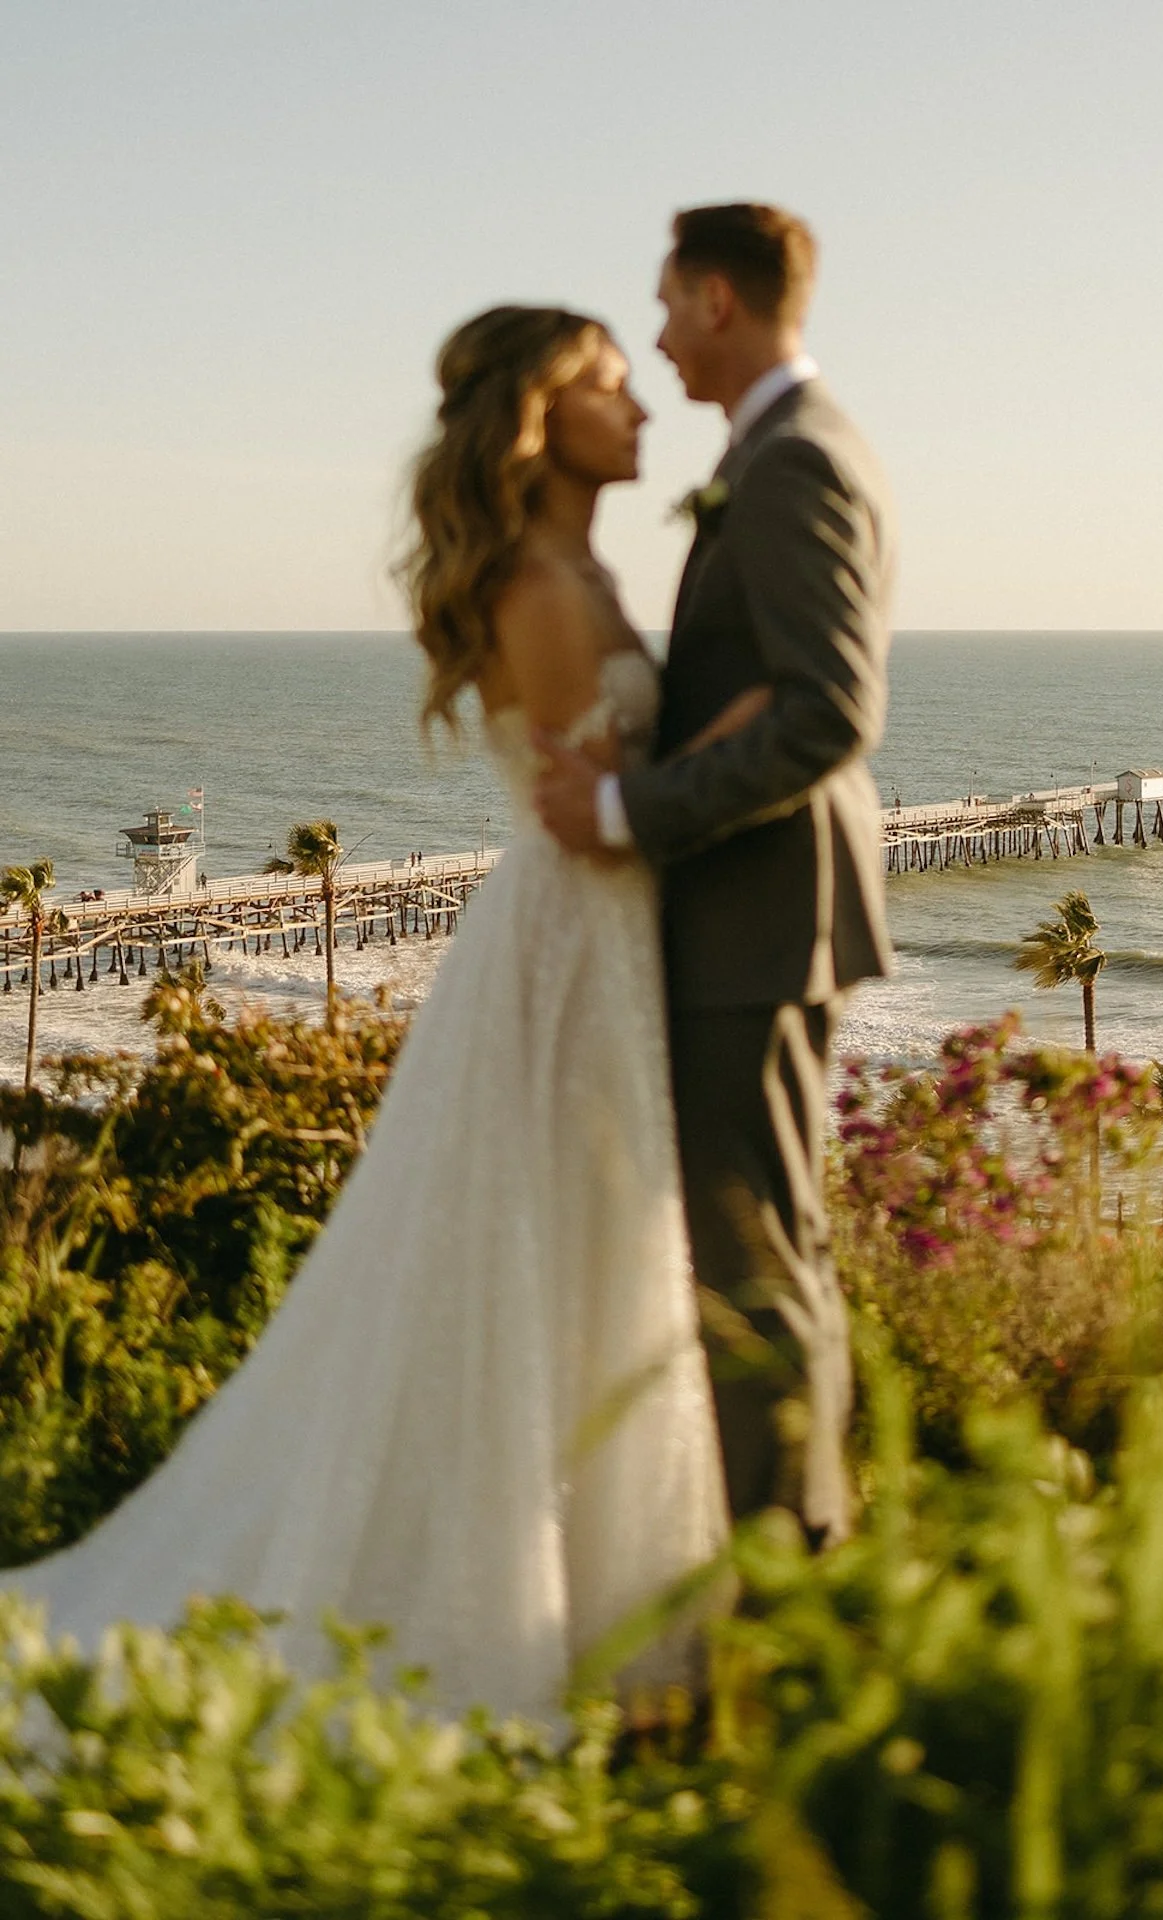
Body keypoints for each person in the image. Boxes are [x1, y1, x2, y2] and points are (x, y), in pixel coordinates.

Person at [5, 305, 743, 1726]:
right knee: (550, 1262)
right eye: (606, 382)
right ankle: (518, 1635)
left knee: (589, 1256)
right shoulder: (538, 581)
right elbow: (590, 819)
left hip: (600, 945)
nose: (639, 402)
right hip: (571, 950)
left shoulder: (581, 563)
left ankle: (600, 1614)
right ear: (538, 417)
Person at [535, 204, 897, 1547]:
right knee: (770, 1256)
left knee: (754, 1268)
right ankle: (808, 1552)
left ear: (721, 301)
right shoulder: (775, 451)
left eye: (668, 305)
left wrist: (633, 807)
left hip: (759, 918)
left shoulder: (796, 462)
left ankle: (794, 1583)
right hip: (754, 914)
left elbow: (830, 711)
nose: (658, 335)